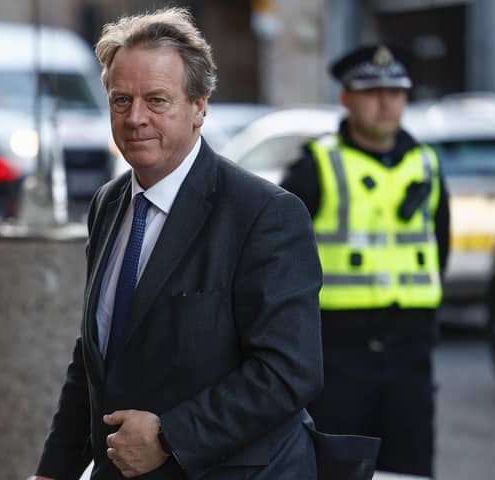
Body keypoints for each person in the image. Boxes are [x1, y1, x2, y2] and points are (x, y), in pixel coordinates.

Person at [33, 7, 324, 480]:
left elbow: (288, 372)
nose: (136, 118)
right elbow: (96, 356)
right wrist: (53, 471)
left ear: (199, 106)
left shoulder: (265, 214)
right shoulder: (109, 204)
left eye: (158, 100)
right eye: (121, 100)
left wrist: (170, 437)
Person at [280, 45, 450, 478]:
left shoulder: (426, 164)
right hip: (338, 353)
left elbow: (439, 248)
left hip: (410, 351)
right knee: (339, 468)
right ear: (346, 99)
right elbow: (279, 258)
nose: (385, 102)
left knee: (411, 469)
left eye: (395, 92)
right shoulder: (317, 165)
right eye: (372, 91)